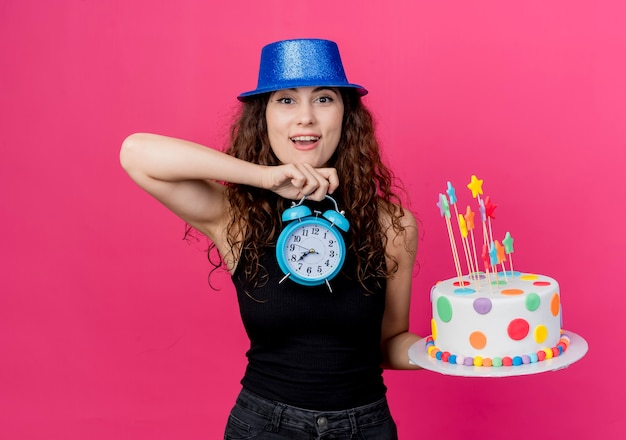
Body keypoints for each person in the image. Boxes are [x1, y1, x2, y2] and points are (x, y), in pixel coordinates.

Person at [120, 38, 421, 440]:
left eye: (324, 98)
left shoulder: (391, 224)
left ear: (347, 114)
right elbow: (135, 152)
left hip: (365, 427)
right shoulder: (237, 214)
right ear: (263, 117)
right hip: (266, 427)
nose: (306, 118)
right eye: (286, 101)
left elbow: (388, 345)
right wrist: (264, 178)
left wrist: (452, 350)